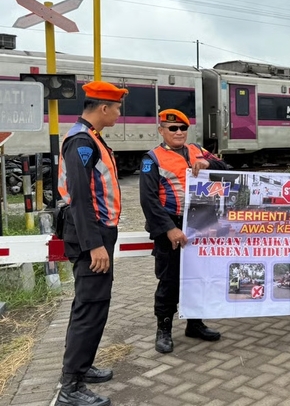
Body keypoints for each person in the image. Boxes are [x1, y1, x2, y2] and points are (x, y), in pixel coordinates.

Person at [56, 81, 129, 406]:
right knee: (90, 308)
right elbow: (80, 198)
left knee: (91, 305)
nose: (118, 114)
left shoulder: (91, 138)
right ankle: (70, 387)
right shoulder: (82, 142)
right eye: (117, 108)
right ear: (103, 108)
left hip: (97, 233)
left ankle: (81, 368)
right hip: (91, 236)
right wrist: (94, 245)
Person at [139, 109, 228, 353]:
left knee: (198, 276)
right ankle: (164, 329)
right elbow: (148, 200)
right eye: (172, 128)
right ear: (161, 131)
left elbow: (224, 166)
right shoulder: (152, 159)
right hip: (170, 225)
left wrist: (208, 163)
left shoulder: (197, 150)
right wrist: (169, 229)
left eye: (183, 128)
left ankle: (195, 324)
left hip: (199, 224)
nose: (178, 132)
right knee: (169, 279)